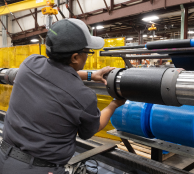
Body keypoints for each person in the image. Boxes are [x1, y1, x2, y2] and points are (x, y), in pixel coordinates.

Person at [0, 18, 125, 174]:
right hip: (39, 169)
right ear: (74, 57)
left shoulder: (30, 63)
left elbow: (57, 74)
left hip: (4, 158)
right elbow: (93, 128)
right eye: (87, 52)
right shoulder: (83, 96)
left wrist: (91, 75)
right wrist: (115, 104)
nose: (87, 56)